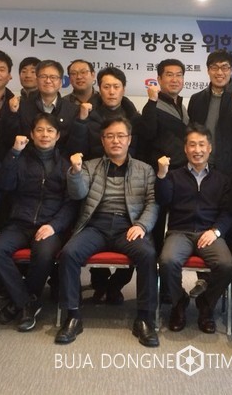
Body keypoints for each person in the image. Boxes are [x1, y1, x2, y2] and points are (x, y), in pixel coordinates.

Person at [56, 117, 159, 347]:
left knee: (148, 255)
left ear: (129, 139)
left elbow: (153, 203)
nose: (115, 141)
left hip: (128, 226)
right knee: (69, 253)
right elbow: (77, 194)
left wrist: (141, 226)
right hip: (96, 225)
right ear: (102, 141)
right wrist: (75, 172)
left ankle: (145, 318)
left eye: (121, 136)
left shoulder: (145, 169)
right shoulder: (90, 166)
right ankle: (73, 316)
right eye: (110, 136)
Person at [0, 113, 77, 332]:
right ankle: (27, 302)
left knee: (44, 253)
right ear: (32, 134)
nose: (44, 135)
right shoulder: (19, 159)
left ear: (57, 136)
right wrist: (14, 153)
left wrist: (54, 226)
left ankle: (21, 301)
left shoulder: (65, 165)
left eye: (50, 130)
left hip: (50, 225)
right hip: (20, 223)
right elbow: (5, 185)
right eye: (39, 130)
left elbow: (71, 204)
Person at [156, 124, 232, 333]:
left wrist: (216, 231)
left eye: (202, 145)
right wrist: (162, 176)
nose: (197, 150)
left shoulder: (222, 179)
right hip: (179, 232)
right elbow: (162, 200)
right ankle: (179, 302)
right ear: (185, 149)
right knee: (167, 261)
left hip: (209, 232)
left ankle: (206, 304)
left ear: (210, 148)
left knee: (227, 265)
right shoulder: (174, 175)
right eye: (192, 145)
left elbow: (228, 212)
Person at [187, 49, 232, 298]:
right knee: (202, 218)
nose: (220, 72)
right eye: (215, 67)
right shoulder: (197, 99)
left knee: (230, 221)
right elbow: (192, 133)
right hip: (201, 168)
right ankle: (204, 279)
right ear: (208, 70)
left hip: (228, 169)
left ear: (231, 70)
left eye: (225, 67)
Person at [83, 66, 143, 303]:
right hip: (96, 180)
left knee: (135, 235)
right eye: (106, 86)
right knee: (92, 228)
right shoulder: (89, 114)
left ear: (123, 89)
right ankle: (100, 284)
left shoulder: (134, 116)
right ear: (99, 88)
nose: (111, 91)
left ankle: (117, 284)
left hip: (129, 181)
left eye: (116, 86)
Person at [140, 58, 189, 261]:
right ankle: (153, 271)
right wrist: (151, 102)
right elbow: (147, 134)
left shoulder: (181, 106)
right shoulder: (153, 105)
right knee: (156, 226)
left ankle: (169, 265)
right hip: (159, 175)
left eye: (179, 75)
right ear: (159, 79)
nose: (174, 79)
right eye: (169, 75)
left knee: (179, 224)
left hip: (180, 174)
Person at [19, 59, 89, 157]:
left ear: (60, 82)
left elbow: (75, 146)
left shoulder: (73, 110)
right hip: (29, 162)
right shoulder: (23, 107)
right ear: (37, 80)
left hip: (62, 163)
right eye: (43, 76)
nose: (48, 81)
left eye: (53, 77)